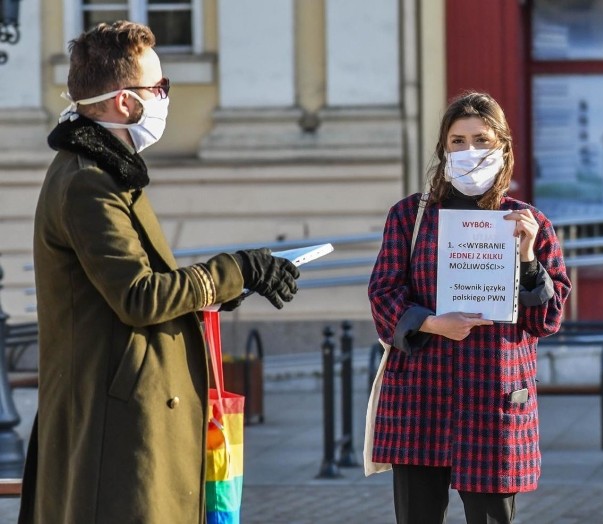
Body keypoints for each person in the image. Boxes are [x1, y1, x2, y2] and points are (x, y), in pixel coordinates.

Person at [18, 21, 300, 524]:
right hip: (118, 426)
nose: (166, 97)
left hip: (131, 413)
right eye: (159, 87)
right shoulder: (88, 182)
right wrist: (233, 270)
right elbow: (139, 296)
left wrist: (228, 287)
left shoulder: (106, 171)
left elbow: (141, 284)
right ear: (125, 102)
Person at [368, 91, 572, 524]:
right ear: (443, 149)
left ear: (503, 147)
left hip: (492, 399)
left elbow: (547, 318)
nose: (469, 151)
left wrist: (529, 258)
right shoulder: (410, 216)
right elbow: (383, 294)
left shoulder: (527, 221)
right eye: (457, 141)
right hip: (420, 400)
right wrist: (432, 323)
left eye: (481, 140)